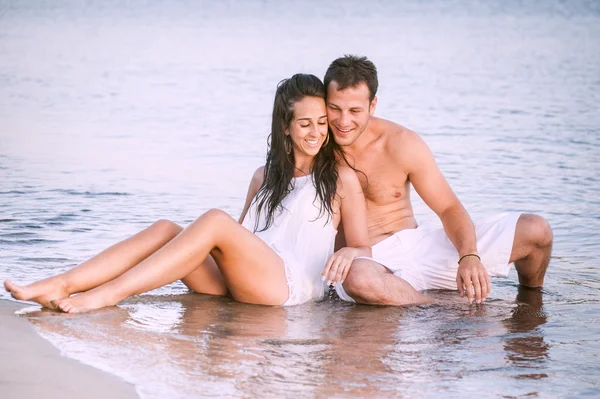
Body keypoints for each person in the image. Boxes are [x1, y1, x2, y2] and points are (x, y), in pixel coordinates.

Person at [4, 73, 374, 313]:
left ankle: (106, 295)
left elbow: (363, 246)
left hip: (289, 287)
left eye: (322, 123)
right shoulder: (264, 176)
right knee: (168, 227)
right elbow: (241, 241)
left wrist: (349, 251)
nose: (317, 132)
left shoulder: (340, 179)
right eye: (305, 123)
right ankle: (61, 283)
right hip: (244, 282)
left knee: (215, 220)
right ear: (285, 127)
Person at [325, 55, 553, 305]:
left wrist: (468, 256)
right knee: (358, 278)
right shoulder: (313, 147)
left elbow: (447, 208)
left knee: (536, 230)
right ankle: (437, 307)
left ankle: (530, 305)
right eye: (335, 108)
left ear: (373, 105)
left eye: (355, 110)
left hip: (421, 246)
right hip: (371, 262)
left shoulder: (401, 142)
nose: (344, 121)